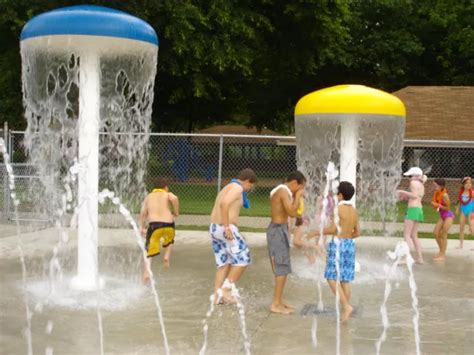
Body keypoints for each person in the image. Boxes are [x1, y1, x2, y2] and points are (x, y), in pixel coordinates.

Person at [209, 168, 257, 304]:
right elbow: (224, 204)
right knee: (244, 258)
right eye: (250, 186)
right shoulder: (237, 188)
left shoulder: (229, 186)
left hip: (214, 228)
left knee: (223, 264)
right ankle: (225, 290)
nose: (249, 189)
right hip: (225, 228)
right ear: (247, 181)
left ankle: (217, 297)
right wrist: (227, 226)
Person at [267, 171, 306, 314]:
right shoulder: (283, 191)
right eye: (301, 187)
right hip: (277, 230)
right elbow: (290, 212)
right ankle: (275, 304)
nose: (301, 190)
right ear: (294, 183)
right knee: (281, 266)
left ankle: (279, 300)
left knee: (282, 266)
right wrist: (298, 196)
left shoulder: (282, 191)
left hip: (280, 229)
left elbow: (290, 212)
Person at [321, 181, 360, 323]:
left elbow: (332, 230)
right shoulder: (354, 211)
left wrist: (315, 232)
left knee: (330, 277)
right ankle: (345, 310)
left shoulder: (338, 209)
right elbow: (357, 232)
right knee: (345, 278)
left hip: (337, 244)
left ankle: (346, 306)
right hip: (349, 244)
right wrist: (347, 238)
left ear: (341, 195)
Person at [139, 178, 180, 283]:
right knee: (170, 240)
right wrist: (176, 212)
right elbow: (174, 198)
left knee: (149, 250)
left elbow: (143, 213)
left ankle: (147, 271)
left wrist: (142, 227)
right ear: (165, 187)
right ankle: (166, 256)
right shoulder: (167, 194)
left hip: (154, 226)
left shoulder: (148, 197)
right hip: (169, 224)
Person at [397, 167, 426, 264]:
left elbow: (414, 196)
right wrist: (407, 195)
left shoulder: (413, 183)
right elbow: (416, 196)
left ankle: (406, 258)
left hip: (412, 209)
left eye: (410, 176)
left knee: (407, 235)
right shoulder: (421, 184)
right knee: (414, 235)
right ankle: (420, 258)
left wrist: (402, 191)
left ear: (414, 175)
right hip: (419, 210)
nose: (410, 178)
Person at [431, 178, 454, 261]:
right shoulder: (437, 193)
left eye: (435, 186)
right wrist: (435, 205)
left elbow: (448, 208)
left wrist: (438, 205)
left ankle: (442, 255)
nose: (434, 187)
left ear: (441, 186)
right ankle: (441, 251)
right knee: (436, 233)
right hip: (442, 215)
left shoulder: (444, 195)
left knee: (444, 235)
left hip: (448, 215)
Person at [455, 176, 474, 249]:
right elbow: (460, 201)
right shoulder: (461, 192)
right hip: (463, 210)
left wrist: (473, 212)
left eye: (470, 183)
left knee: (471, 228)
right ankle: (461, 244)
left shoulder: (472, 192)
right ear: (463, 184)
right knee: (461, 227)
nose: (469, 185)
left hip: (470, 211)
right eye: (466, 183)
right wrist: (457, 209)